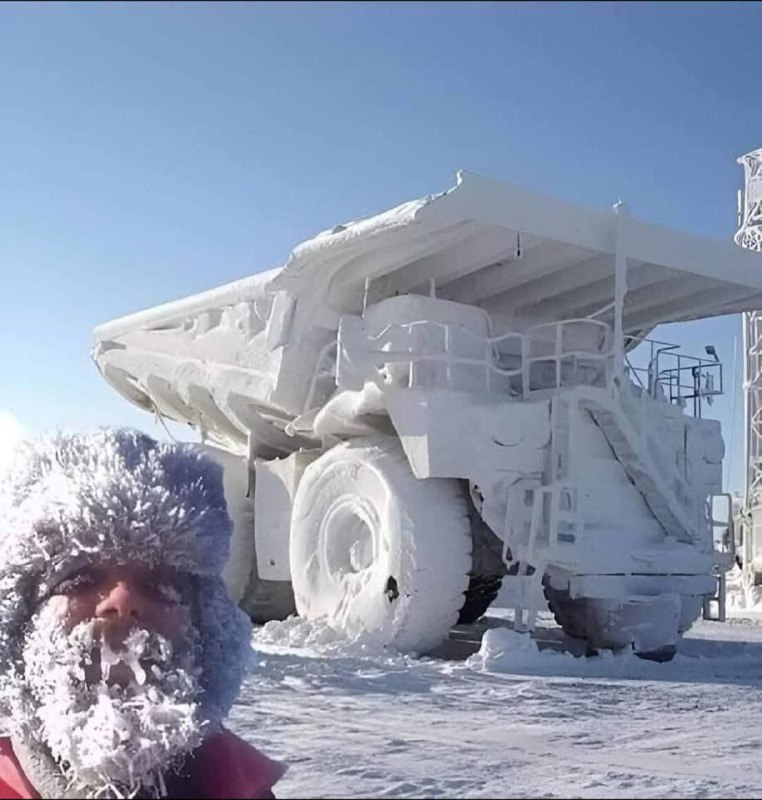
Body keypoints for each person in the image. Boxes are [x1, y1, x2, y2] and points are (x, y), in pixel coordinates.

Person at [0, 428, 285, 799]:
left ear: (203, 630)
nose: (122, 601)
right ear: (20, 625)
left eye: (160, 585)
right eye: (79, 579)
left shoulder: (245, 789)